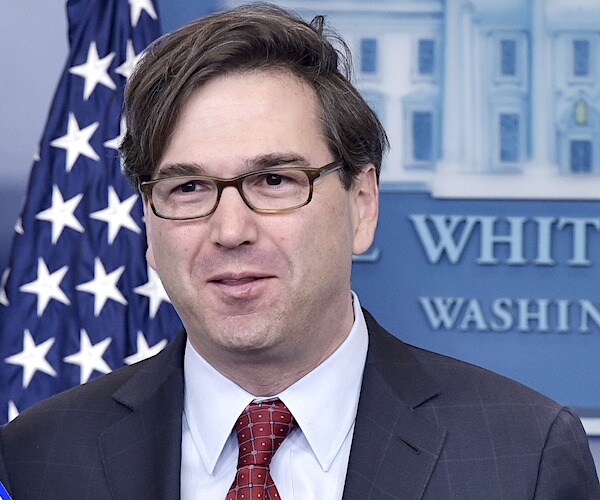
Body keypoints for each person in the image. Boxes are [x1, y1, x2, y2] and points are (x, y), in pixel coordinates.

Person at [1, 3, 599, 499]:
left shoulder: (523, 456)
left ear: (362, 204)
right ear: (149, 224)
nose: (230, 229)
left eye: (274, 181)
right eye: (189, 188)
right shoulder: (37, 459)